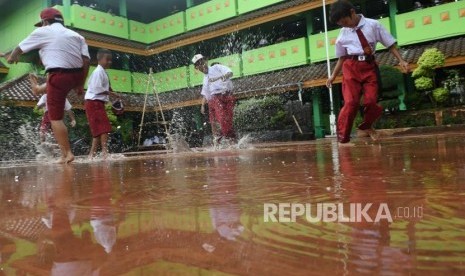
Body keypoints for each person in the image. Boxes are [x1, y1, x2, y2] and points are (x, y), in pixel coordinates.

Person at [7, 7, 90, 163]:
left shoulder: (43, 31)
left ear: (45, 21)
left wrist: (12, 58)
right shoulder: (77, 36)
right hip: (75, 75)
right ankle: (62, 154)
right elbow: (86, 61)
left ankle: (67, 154)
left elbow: (18, 49)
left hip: (58, 75)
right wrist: (80, 84)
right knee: (52, 83)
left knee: (55, 118)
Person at [326, 0, 409, 146]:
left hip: (369, 66)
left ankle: (366, 125)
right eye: (341, 24)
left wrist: (401, 60)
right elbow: (341, 57)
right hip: (350, 67)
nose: (344, 26)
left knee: (371, 101)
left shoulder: (373, 25)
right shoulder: (343, 33)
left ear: (352, 12)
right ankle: (343, 139)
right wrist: (333, 76)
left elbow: (390, 44)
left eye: (345, 21)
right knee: (351, 102)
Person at [192, 54, 236, 146]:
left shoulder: (216, 67)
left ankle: (231, 141)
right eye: (198, 64)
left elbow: (230, 72)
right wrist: (203, 105)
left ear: (206, 61)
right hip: (213, 100)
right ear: (196, 68)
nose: (201, 65)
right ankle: (218, 144)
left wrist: (223, 77)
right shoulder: (205, 79)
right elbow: (205, 93)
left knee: (224, 120)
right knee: (214, 124)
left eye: (201, 62)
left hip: (225, 96)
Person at [85, 49, 118, 159]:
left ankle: (92, 155)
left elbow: (106, 87)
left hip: (96, 103)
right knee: (104, 128)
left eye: (110, 60)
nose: (109, 62)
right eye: (107, 60)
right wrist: (111, 93)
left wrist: (113, 93)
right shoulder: (98, 72)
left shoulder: (103, 72)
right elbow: (97, 88)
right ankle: (104, 153)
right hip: (94, 102)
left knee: (98, 130)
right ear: (99, 60)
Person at [33, 78, 76, 143]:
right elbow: (37, 108)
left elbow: (69, 109)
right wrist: (42, 105)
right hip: (47, 116)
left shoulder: (63, 98)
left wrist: (73, 119)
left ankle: (57, 146)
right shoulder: (45, 96)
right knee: (42, 132)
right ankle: (42, 143)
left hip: (58, 118)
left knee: (57, 135)